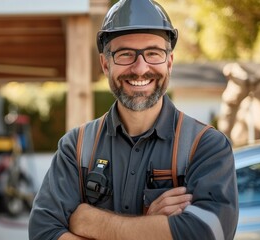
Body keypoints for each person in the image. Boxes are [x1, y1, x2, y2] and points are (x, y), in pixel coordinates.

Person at [28, 0, 239, 239]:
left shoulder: (206, 146)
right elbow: (42, 232)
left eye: (153, 53)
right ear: (105, 64)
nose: (140, 68)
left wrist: (89, 221)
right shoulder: (75, 147)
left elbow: (210, 231)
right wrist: (151, 227)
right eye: (125, 54)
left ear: (169, 63)